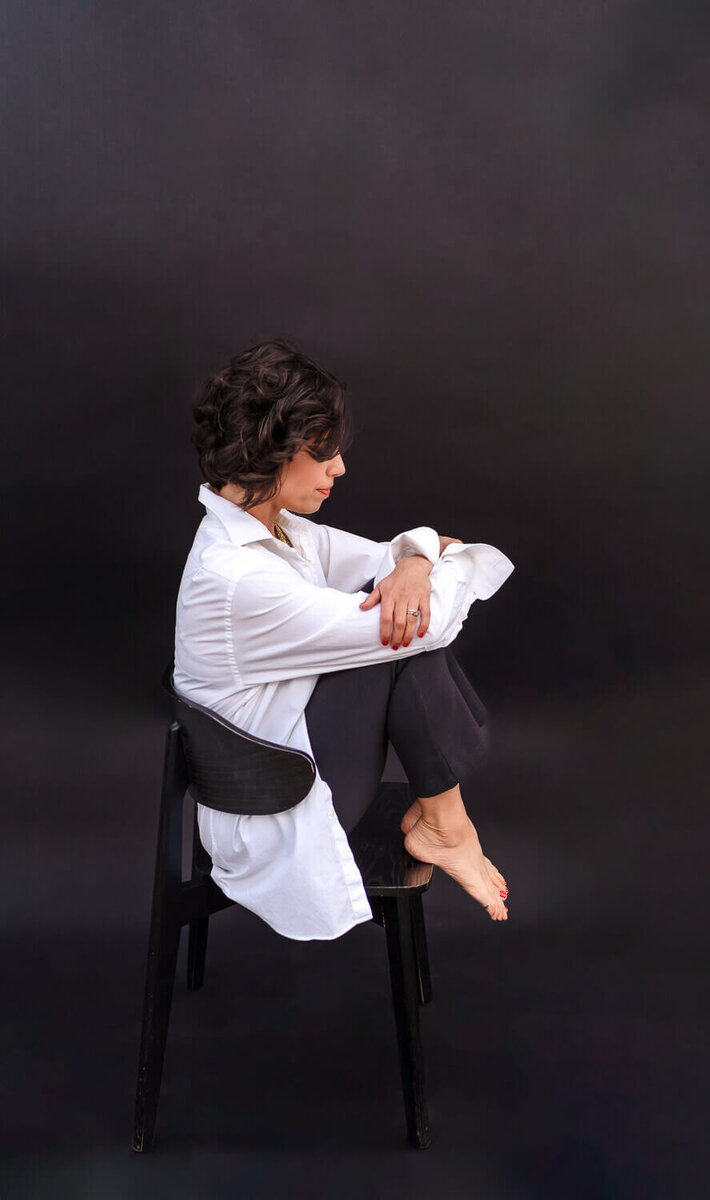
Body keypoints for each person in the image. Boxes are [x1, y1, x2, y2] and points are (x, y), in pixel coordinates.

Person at [173, 338, 514, 940]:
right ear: (269, 449)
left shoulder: (284, 535)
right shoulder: (236, 577)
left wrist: (409, 562)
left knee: (398, 616)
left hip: (294, 760)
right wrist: (416, 569)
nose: (339, 468)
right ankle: (447, 825)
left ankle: (444, 820)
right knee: (400, 641)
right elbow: (423, 625)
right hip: (273, 805)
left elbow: (410, 556)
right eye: (323, 450)